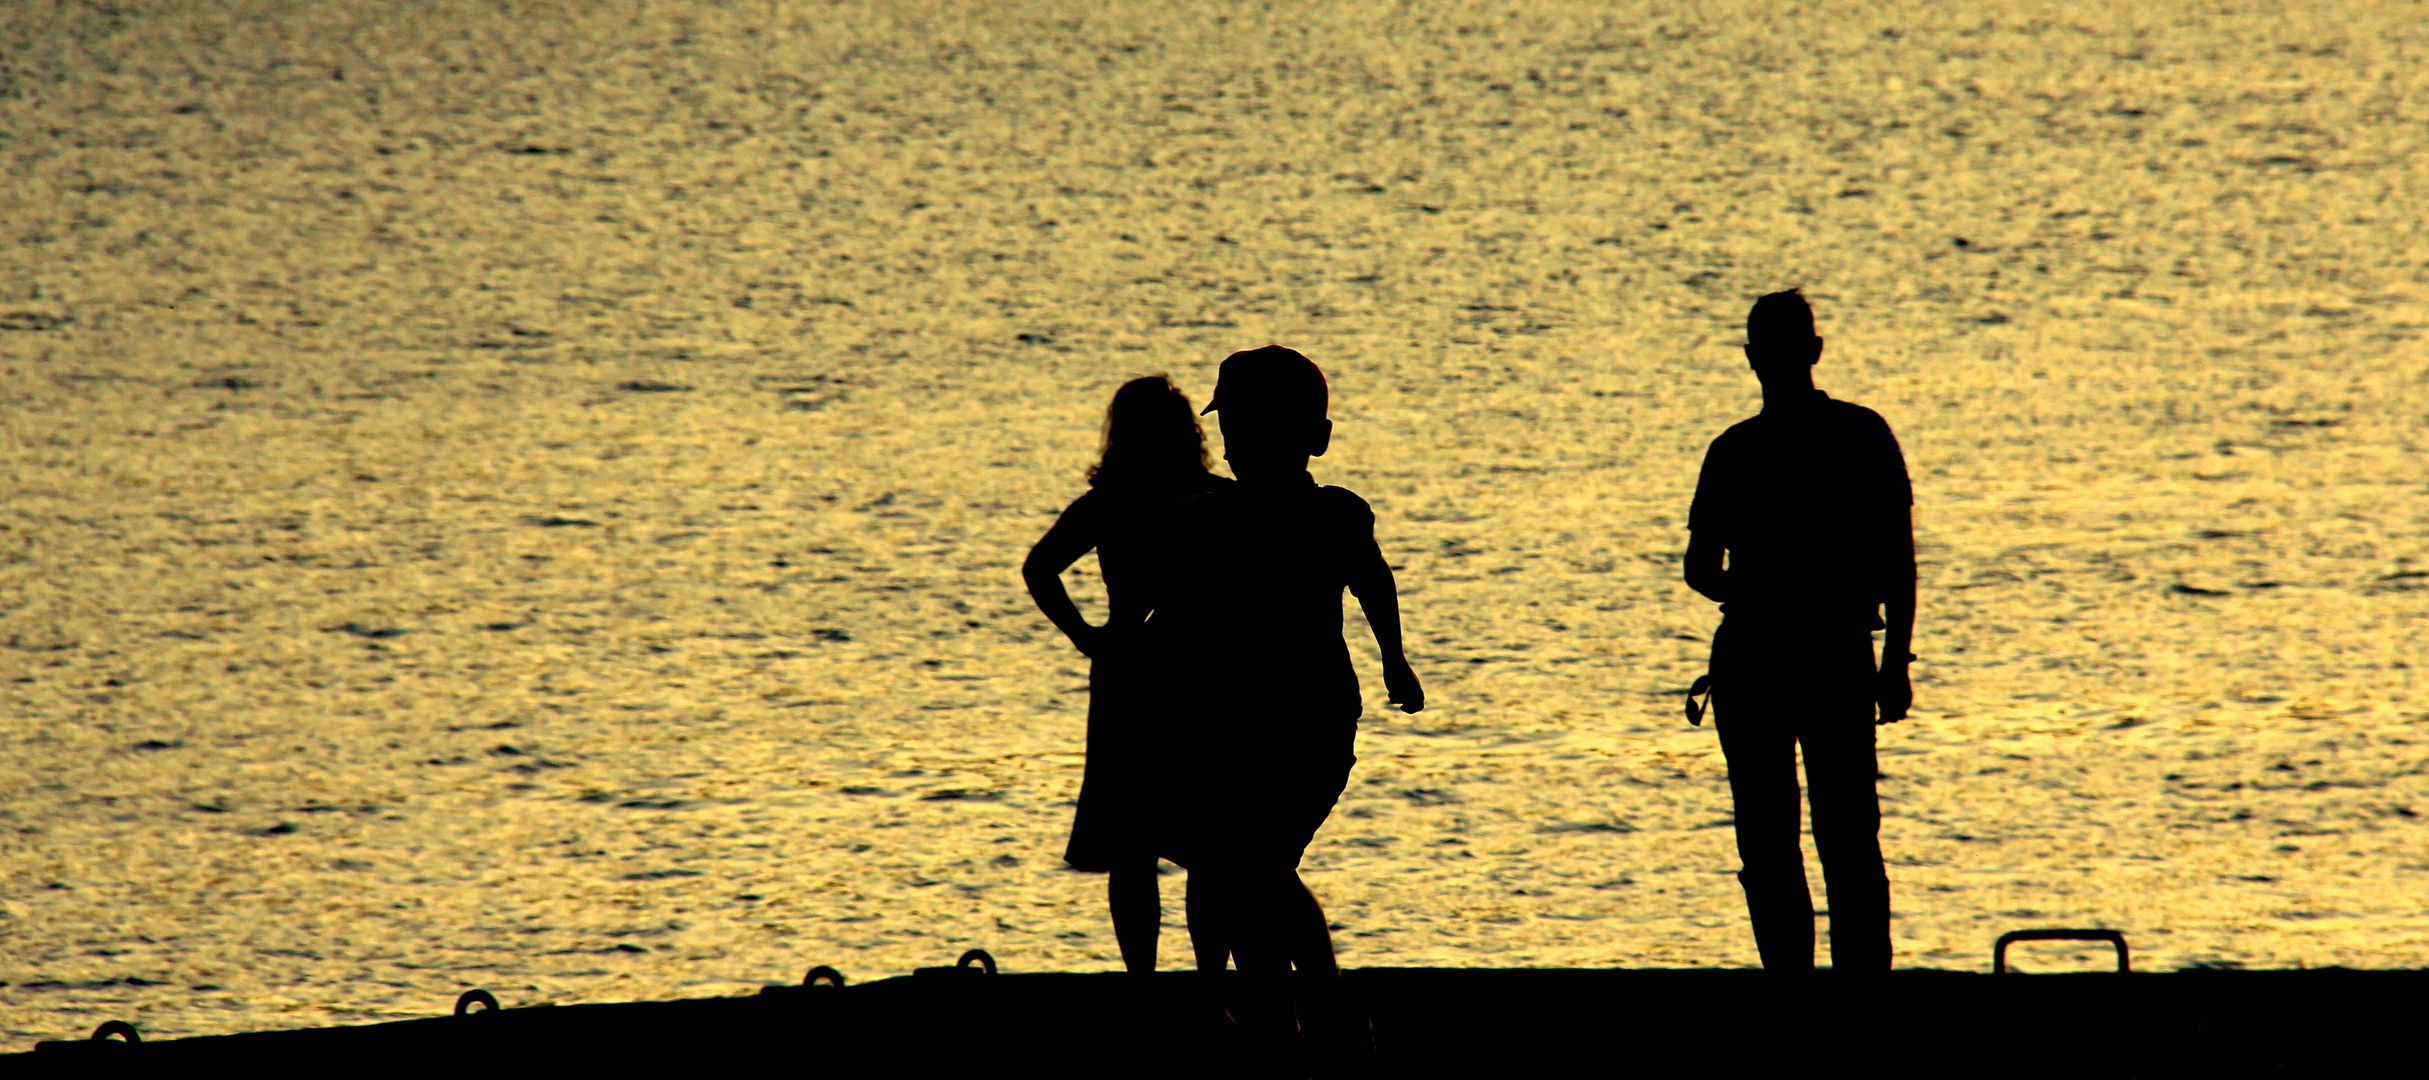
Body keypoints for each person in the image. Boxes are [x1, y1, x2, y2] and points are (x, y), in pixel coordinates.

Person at [1144, 346, 1423, 1062]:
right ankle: (1255, 1006)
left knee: (1251, 866)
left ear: (1313, 440)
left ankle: (1291, 1019)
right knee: (1236, 864)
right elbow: (1170, 617)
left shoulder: (1323, 515)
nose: (1238, 445)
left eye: (1245, 427)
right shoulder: (1204, 516)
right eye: (1234, 428)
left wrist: (1395, 659)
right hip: (1233, 721)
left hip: (1305, 723)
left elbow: (1371, 583)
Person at [1683, 289, 1915, 973]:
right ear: (1811, 351)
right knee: (1834, 834)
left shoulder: (1736, 450)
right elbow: (1897, 562)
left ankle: (1802, 984)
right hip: (1818, 649)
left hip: (1773, 651)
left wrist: (1759, 597)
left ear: (1753, 359)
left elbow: (1700, 569)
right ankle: (1847, 986)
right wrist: (1892, 661)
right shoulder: (1859, 435)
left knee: (1780, 837)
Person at [1023, 375, 1230, 974]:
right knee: (1205, 843)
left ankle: (1147, 986)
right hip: (1197, 676)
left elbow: (1040, 569)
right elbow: (1039, 568)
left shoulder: (1108, 505)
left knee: (1138, 846)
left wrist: (1089, 638)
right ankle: (1209, 987)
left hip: (1133, 672)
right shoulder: (1213, 499)